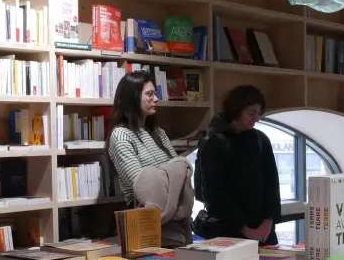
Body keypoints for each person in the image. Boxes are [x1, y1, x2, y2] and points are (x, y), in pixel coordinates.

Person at [195, 85, 281, 244]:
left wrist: (268, 221)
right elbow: (214, 194)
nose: (256, 119)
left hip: (263, 231)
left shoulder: (261, 139)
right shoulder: (214, 143)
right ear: (236, 109)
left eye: (258, 114)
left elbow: (272, 183)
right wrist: (245, 229)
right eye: (251, 113)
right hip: (229, 231)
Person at [108, 70, 178, 205]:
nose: (156, 99)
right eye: (149, 94)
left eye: (155, 94)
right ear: (132, 98)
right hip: (145, 216)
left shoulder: (158, 132)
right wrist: (173, 180)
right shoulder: (121, 135)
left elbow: (182, 172)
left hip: (174, 215)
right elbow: (144, 188)